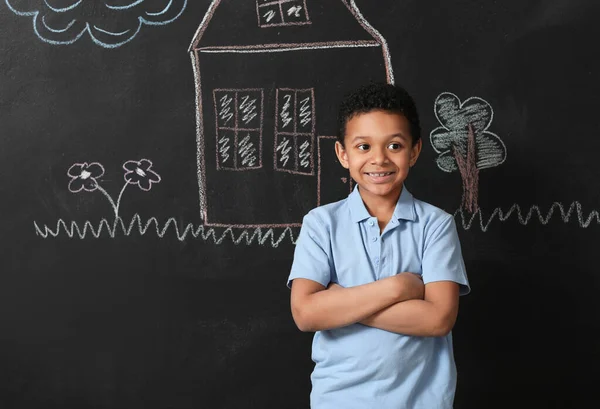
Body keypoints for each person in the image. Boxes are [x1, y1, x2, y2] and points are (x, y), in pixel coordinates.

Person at [287, 82, 470, 409]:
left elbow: (438, 319)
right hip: (337, 400)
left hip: (421, 402)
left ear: (414, 151)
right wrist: (399, 287)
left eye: (395, 146)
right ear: (343, 153)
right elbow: (305, 313)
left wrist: (341, 302)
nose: (379, 159)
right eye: (363, 147)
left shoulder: (436, 225)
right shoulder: (321, 224)